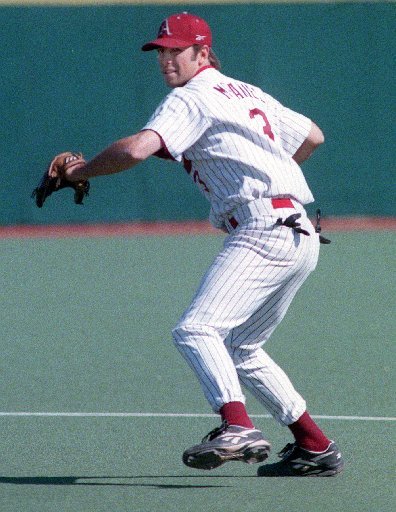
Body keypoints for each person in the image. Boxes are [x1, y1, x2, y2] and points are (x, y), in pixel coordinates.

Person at [56, 12, 344, 476]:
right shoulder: (245, 90)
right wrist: (269, 164)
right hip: (300, 232)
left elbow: (135, 150)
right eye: (161, 51)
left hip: (264, 228)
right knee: (244, 349)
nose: (166, 59)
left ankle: (238, 426)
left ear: (202, 52)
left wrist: (80, 172)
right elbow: (313, 137)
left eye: (177, 50)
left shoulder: (190, 98)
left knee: (196, 330)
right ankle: (315, 446)